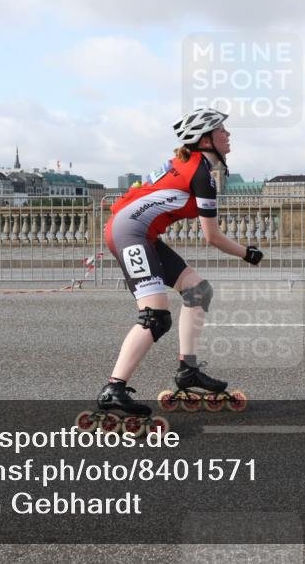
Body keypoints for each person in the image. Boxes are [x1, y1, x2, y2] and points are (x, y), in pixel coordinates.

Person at [95, 108, 263, 419]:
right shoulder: (201, 174)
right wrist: (248, 253)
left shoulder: (187, 163)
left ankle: (188, 370)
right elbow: (211, 236)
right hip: (131, 233)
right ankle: (113, 389)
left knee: (198, 291)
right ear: (205, 140)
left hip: (140, 232)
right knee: (155, 317)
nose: (228, 135)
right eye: (222, 131)